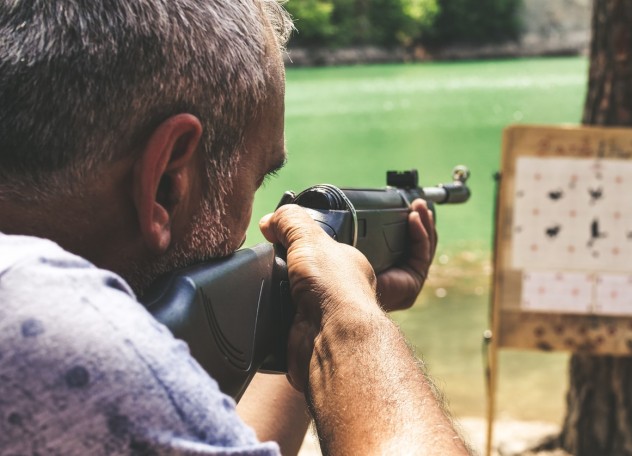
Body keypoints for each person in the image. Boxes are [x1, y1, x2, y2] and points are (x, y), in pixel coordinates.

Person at [0, 1, 470, 454]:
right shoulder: (73, 344)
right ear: (167, 183)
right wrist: (353, 325)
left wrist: (309, 317)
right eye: (258, 178)